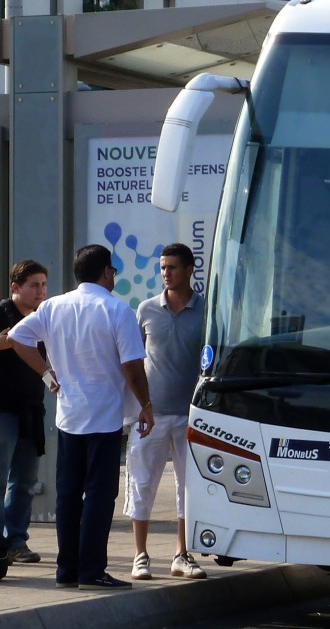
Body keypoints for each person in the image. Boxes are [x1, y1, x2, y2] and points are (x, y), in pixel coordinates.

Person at [8, 245, 154, 590]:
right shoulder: (117, 310)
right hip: (104, 417)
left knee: (68, 494)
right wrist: (146, 405)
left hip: (69, 415)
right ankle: (92, 570)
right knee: (100, 496)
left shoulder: (53, 306)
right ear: (106, 272)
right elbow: (132, 365)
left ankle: (67, 569)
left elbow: (17, 338)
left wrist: (47, 374)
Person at [125, 243, 206, 580]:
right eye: (162, 267)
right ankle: (140, 555)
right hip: (151, 414)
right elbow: (130, 362)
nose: (166, 273)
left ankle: (181, 555)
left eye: (172, 267)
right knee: (141, 482)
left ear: (189, 270)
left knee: (189, 487)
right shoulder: (145, 310)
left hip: (194, 414)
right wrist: (139, 407)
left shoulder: (208, 310)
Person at [0, 260, 50, 577]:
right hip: (3, 407)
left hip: (32, 409)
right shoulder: (4, 311)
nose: (41, 291)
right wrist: (16, 335)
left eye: (44, 285)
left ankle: (17, 541)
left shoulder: (45, 316)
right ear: (15, 288)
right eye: (34, 285)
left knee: (25, 481)